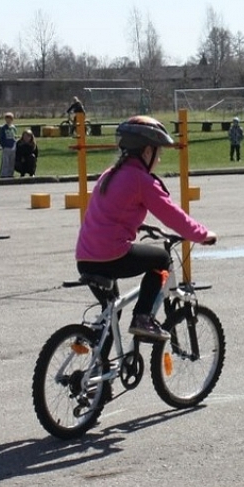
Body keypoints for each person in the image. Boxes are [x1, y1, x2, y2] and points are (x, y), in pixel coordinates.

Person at [75, 115, 217, 341]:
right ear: (147, 151)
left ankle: (96, 369)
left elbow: (109, 212)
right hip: (111, 255)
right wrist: (202, 235)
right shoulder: (141, 180)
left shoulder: (109, 174)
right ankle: (143, 317)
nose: (158, 159)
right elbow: (172, 215)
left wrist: (136, 224)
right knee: (160, 260)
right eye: (158, 153)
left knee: (111, 313)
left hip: (85, 257)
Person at [0, 112, 17, 178]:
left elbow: (15, 136)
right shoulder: (3, 128)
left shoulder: (13, 128)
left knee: (12, 161)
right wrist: (3, 145)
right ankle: (4, 174)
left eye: (10, 119)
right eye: (7, 119)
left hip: (13, 147)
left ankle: (10, 174)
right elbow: (1, 138)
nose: (8, 120)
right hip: (6, 147)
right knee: (5, 161)